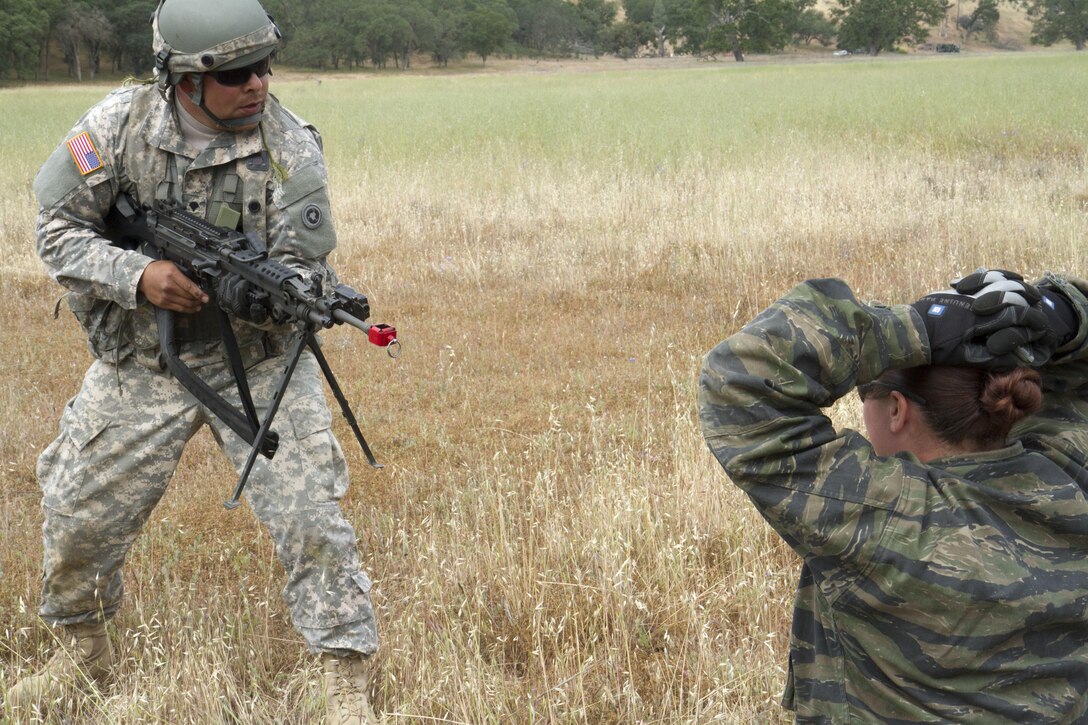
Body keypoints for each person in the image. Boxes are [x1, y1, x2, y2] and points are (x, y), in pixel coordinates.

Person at [7, 1, 380, 722]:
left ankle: (343, 675)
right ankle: (84, 649)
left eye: (266, 66)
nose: (258, 85)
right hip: (145, 359)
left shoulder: (291, 149)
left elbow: (301, 266)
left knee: (311, 513)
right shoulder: (116, 129)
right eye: (237, 73)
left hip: (263, 357)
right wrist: (138, 278)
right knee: (77, 511)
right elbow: (55, 229)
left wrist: (274, 294)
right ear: (182, 81)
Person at [699, 268, 1088, 722]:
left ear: (897, 409)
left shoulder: (892, 520)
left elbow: (740, 376)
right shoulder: (1068, 476)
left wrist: (920, 327)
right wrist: (1049, 315)